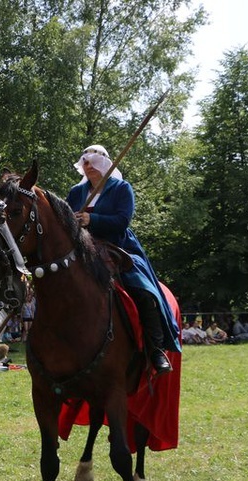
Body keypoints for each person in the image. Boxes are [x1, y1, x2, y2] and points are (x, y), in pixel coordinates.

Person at [65, 145, 180, 375]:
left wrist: (91, 218)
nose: (87, 166)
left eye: (91, 161)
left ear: (103, 163)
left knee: (144, 291)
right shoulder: (76, 192)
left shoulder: (121, 188)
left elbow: (121, 221)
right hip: (82, 248)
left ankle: (156, 349)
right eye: (84, 161)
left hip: (117, 247)